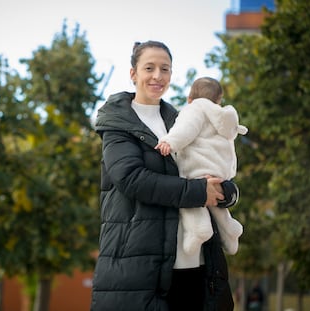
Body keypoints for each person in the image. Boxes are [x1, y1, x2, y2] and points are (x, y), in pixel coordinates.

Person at [90, 40, 238, 311]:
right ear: (133, 74)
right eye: (149, 68)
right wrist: (198, 192)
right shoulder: (118, 125)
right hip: (142, 267)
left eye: (165, 69)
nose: (158, 76)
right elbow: (132, 179)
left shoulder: (183, 120)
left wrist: (227, 193)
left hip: (198, 265)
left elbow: (215, 163)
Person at [155, 77, 247, 261]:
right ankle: (230, 229)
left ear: (190, 98)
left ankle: (199, 230)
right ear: (218, 100)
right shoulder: (222, 118)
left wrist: (169, 142)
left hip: (197, 168)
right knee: (215, 202)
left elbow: (185, 129)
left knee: (189, 195)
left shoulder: (194, 109)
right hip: (220, 171)